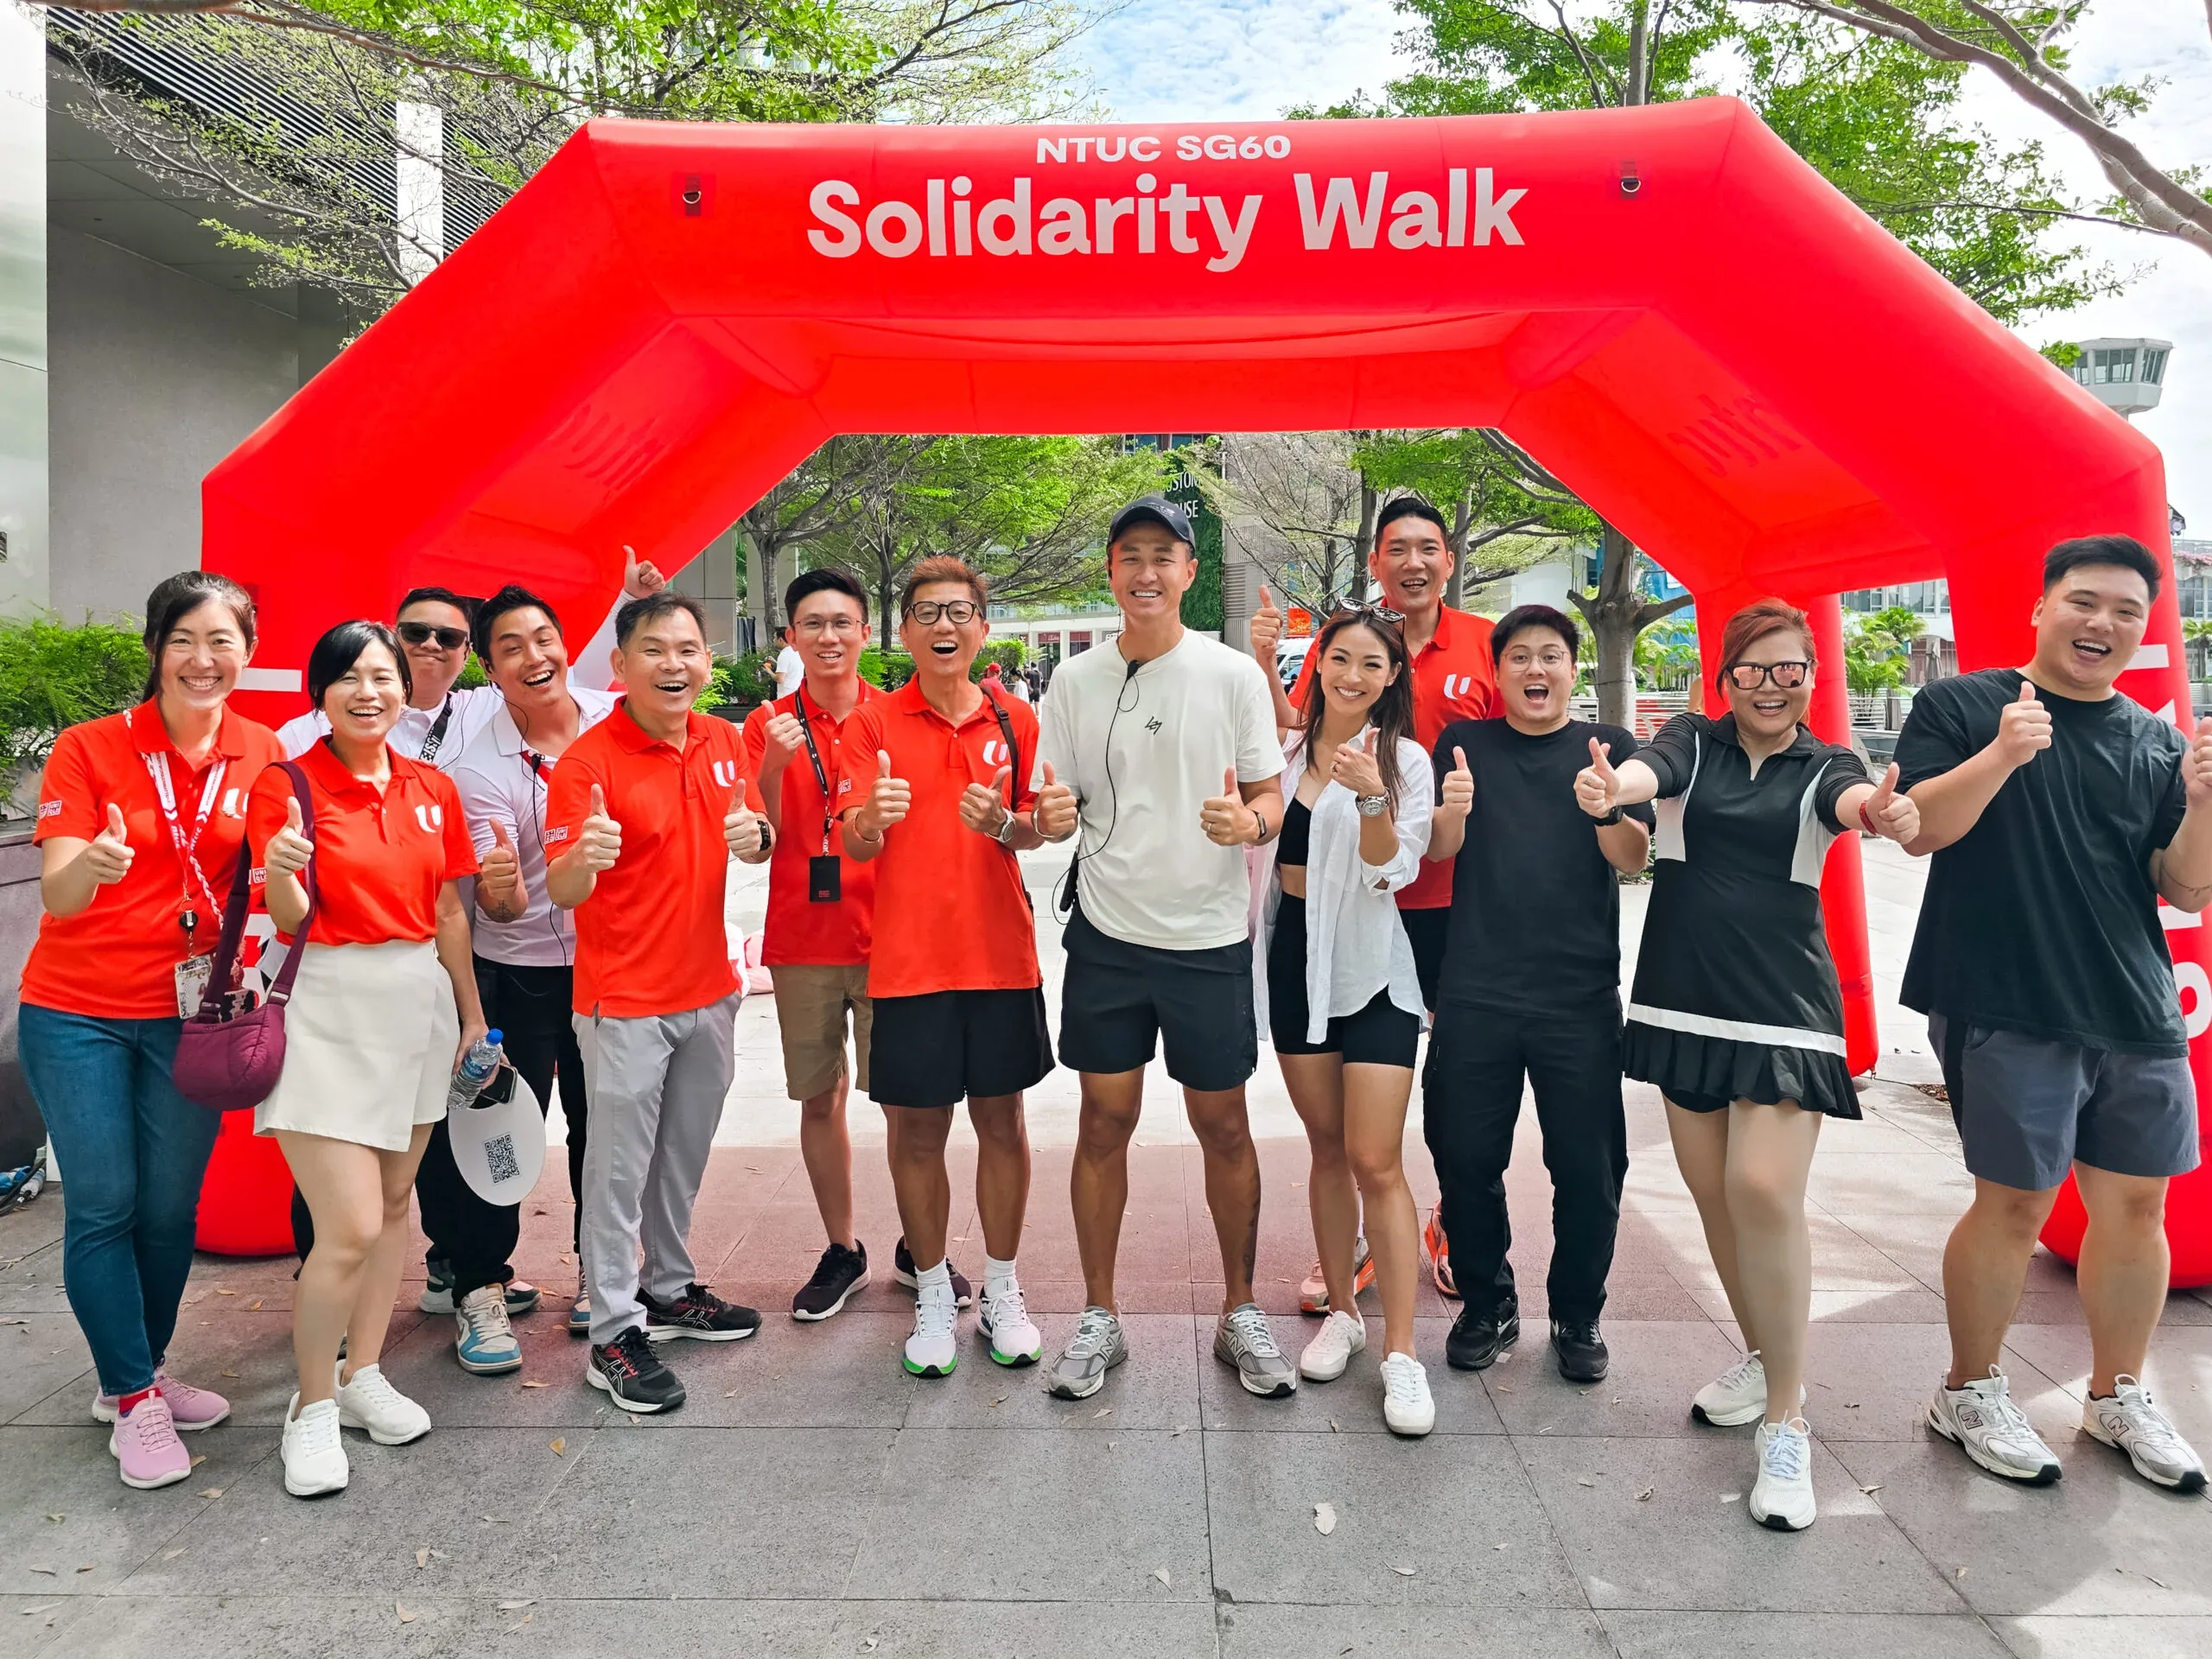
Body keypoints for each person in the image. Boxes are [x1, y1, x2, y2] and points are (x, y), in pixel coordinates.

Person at [1573, 599, 1919, 1533]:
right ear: (1722, 680)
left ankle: (1786, 1416)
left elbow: (1853, 806)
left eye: (1789, 670)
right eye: (1753, 670)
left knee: (1760, 1187)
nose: (1771, 686)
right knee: (1715, 1200)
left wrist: (1882, 811)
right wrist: (1618, 790)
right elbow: (1652, 770)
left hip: (1783, 1011)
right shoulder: (1691, 740)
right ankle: (1767, 1355)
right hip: (1683, 997)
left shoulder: (1826, 765)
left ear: (1811, 679)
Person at [276, 548, 666, 1320]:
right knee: (483, 1129)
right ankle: (466, 1276)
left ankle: (597, 1272)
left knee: (602, 1127)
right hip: (439, 970)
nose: (429, 650)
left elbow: (559, 667)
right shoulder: (319, 741)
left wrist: (627, 602)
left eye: (447, 639)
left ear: (466, 659)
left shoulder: (551, 718)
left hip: (592, 964)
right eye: (413, 636)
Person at [1898, 535, 2208, 1493]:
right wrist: (2000, 751)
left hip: (2132, 1002)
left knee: (2137, 1205)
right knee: (2016, 1203)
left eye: (2125, 610)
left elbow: (2186, 889)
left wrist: (2200, 803)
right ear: (2039, 608)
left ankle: (2116, 1395)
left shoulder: (2155, 739)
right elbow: (1923, 829)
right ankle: (1968, 1389)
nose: (2103, 624)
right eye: (2083, 602)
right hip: (2002, 994)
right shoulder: (1960, 704)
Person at [22, 572, 281, 1491]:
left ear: (247, 652)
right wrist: (90, 863)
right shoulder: (92, 750)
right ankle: (134, 1399)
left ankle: (139, 1372)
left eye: (223, 641)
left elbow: (273, 886)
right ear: (154, 649)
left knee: (171, 1210)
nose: (204, 660)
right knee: (105, 1204)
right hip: (77, 1011)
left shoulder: (263, 750)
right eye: (185, 640)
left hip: (190, 1019)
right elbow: (55, 892)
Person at [1038, 493, 1294, 1402]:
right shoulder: (1071, 684)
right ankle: (1099, 1316)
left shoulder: (1228, 675)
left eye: (1163, 555)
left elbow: (1270, 794)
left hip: (1209, 937)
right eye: (1128, 555)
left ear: (1189, 571)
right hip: (1108, 936)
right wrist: (1047, 815)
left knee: (1222, 1125)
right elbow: (1047, 808)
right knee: (1102, 1123)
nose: (1145, 571)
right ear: (1109, 572)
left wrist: (1248, 821)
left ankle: (1239, 1309)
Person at [249, 620, 488, 1498]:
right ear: (322, 692)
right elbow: (284, 912)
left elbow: (451, 913)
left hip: (418, 1007)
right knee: (345, 1225)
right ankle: (309, 1410)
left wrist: (470, 1016)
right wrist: (280, 869)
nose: (368, 691)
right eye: (348, 677)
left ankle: (363, 1375)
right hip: (326, 1008)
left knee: (393, 1208)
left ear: (405, 686)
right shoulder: (288, 784)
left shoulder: (431, 786)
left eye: (383, 675)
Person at [1249, 498, 1497, 1307]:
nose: (1414, 561)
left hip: (1442, 907)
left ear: (1449, 560)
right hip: (1316, 934)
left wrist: (1388, 803)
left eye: (1430, 547)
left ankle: (1455, 1227)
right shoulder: (1298, 744)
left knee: (1442, 1101)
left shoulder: (1487, 652)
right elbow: (1287, 747)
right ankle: (1348, 1262)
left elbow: (1400, 844)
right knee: (1336, 1140)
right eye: (1399, 548)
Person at [547, 591, 770, 1413]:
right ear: (620, 665)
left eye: (688, 649)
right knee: (615, 1173)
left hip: (708, 991)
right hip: (624, 1002)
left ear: (705, 662)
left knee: (680, 1159)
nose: (675, 664)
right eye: (655, 650)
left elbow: (749, 827)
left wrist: (762, 838)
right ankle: (612, 1330)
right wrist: (587, 858)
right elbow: (563, 887)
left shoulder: (722, 739)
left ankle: (669, 1288)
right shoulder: (587, 763)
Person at [842, 557, 1062, 1376]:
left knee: (1003, 1123)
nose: (944, 627)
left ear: (983, 626)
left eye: (960, 612)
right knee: (917, 1130)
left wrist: (1008, 822)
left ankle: (1002, 1289)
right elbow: (853, 837)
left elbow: (1037, 831)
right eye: (927, 612)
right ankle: (933, 1291)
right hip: (907, 964)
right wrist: (873, 816)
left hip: (1000, 958)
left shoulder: (1015, 717)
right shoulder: (872, 723)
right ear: (903, 631)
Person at [1422, 606, 1652, 1385]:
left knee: (1589, 1167)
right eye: (1518, 657)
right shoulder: (1463, 744)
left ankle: (1577, 1313)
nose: (1535, 671)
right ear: (1499, 672)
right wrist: (1451, 810)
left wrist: (1607, 805)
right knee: (1463, 1156)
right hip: (1476, 990)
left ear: (1571, 667)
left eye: (1550, 656)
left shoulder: (1609, 750)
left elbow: (1632, 858)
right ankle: (1487, 1303)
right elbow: (1441, 849)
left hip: (1577, 996)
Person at [746, 568, 973, 1319]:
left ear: (867, 631)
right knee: (820, 1098)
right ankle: (843, 1247)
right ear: (791, 638)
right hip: (803, 938)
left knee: (906, 1106)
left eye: (842, 623)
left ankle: (921, 1246)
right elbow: (762, 836)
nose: (829, 637)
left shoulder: (897, 717)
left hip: (891, 938)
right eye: (812, 624)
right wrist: (776, 762)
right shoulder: (767, 725)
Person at [1251, 607, 1438, 1434]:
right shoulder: (1285, 753)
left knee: (1377, 1160)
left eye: (1372, 663)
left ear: (1392, 676)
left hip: (1370, 976)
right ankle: (1346, 1316)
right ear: (1318, 664)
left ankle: (1402, 1354)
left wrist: (1369, 801)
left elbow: (1393, 871)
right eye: (1340, 659)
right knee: (1327, 1149)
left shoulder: (1403, 762)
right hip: (1293, 965)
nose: (1354, 675)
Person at [442, 586, 621, 1370]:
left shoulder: (617, 719)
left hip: (614, 966)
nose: (534, 657)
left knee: (603, 1131)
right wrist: (502, 887)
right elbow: (502, 908)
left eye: (543, 638)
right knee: (498, 1135)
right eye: (511, 647)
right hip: (519, 975)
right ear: (490, 666)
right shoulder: (478, 767)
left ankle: (601, 1273)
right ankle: (479, 1289)